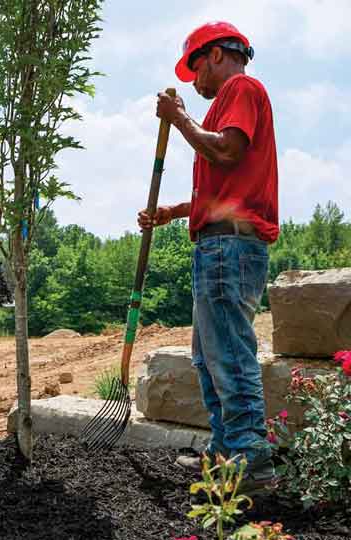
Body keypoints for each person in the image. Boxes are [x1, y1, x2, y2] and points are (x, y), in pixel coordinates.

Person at [138, 21, 278, 490]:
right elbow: (226, 187)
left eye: (195, 69)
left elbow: (228, 154)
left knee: (230, 354)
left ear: (217, 55)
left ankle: (250, 458)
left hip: (230, 248)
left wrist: (179, 118)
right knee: (208, 356)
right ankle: (224, 454)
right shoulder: (225, 104)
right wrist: (176, 211)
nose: (193, 83)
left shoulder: (241, 88)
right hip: (220, 244)